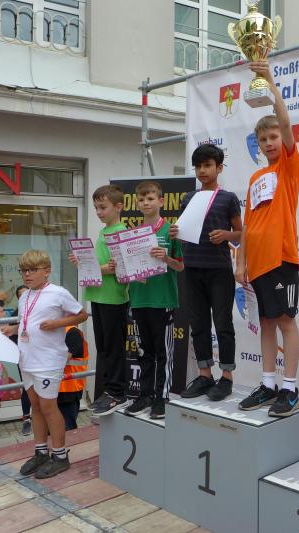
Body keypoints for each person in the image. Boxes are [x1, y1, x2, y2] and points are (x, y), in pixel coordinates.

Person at [235, 60, 299, 417]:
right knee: (265, 323)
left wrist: (270, 81)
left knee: (286, 322)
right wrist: (241, 262)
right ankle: (268, 383)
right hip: (257, 263)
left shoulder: (289, 167)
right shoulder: (255, 178)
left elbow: (286, 122)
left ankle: (289, 388)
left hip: (282, 258)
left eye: (273, 137)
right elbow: (248, 224)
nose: (269, 143)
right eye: (263, 139)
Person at [174, 144, 242, 402]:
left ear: (219, 168)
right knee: (199, 323)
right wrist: (175, 232)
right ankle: (205, 375)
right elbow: (184, 231)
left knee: (223, 323)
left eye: (208, 165)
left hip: (219, 269)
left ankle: (226, 377)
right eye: (198, 166)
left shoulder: (228, 198)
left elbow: (242, 233)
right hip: (192, 267)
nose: (202, 170)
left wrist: (226, 235)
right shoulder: (188, 198)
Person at [16, 250, 88, 479]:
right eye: (23, 270)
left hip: (47, 361)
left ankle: (60, 455)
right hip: (26, 359)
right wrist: (11, 329)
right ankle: (41, 452)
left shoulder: (58, 292)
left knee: (48, 407)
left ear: (46, 271)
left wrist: (58, 323)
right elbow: (26, 323)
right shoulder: (24, 296)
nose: (27, 275)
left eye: (32, 270)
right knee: (35, 406)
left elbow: (82, 315)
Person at [120, 180, 184, 419]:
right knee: (143, 352)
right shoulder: (131, 234)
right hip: (138, 299)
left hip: (162, 300)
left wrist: (165, 258)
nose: (146, 203)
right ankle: (145, 395)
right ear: (136, 203)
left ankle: (162, 397)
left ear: (161, 201)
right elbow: (125, 270)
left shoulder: (171, 231)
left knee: (163, 353)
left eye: (150, 198)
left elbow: (180, 266)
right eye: (141, 199)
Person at [71, 184, 130, 415]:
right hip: (98, 295)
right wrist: (82, 262)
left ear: (118, 207)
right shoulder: (103, 232)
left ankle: (117, 392)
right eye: (96, 207)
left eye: (102, 207)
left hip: (114, 298)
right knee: (104, 347)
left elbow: (117, 268)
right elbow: (102, 265)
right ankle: (109, 390)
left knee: (114, 348)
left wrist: (92, 265)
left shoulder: (121, 232)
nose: (98, 212)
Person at [58, 326, 88, 430]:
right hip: (54, 387)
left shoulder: (72, 331)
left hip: (69, 390)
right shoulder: (53, 331)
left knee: (67, 428)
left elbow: (63, 358)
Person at [13, 286, 33, 436]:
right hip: (23, 356)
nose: (25, 297)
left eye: (28, 293)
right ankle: (27, 418)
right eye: (22, 295)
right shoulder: (16, 315)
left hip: (40, 355)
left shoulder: (38, 309)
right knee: (27, 387)